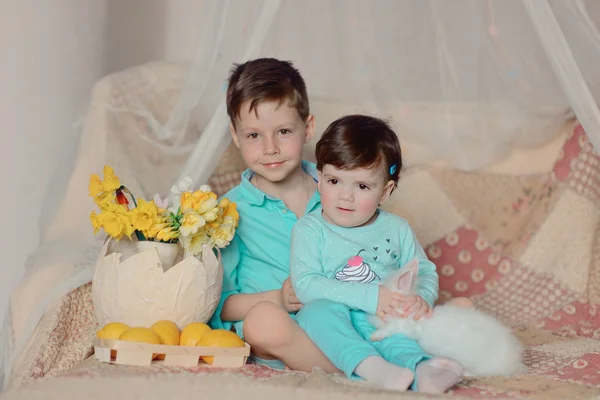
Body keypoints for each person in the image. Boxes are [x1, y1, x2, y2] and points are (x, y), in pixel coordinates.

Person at [290, 115, 471, 393]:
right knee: (314, 314)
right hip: (336, 318)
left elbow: (422, 269)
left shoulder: (396, 228)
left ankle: (422, 368)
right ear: (319, 177)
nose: (345, 196)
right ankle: (373, 368)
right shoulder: (310, 228)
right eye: (334, 181)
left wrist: (421, 297)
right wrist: (371, 297)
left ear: (385, 192)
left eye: (362, 186)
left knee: (402, 328)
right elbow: (306, 285)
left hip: (385, 316)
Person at [208, 58, 340, 373]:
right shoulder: (226, 214)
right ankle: (358, 374)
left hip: (340, 322)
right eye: (254, 135)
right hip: (280, 335)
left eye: (282, 131)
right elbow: (220, 305)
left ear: (307, 128)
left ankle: (374, 357)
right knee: (263, 323)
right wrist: (278, 298)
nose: (270, 148)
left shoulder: (338, 191)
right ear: (236, 136)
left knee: (430, 305)